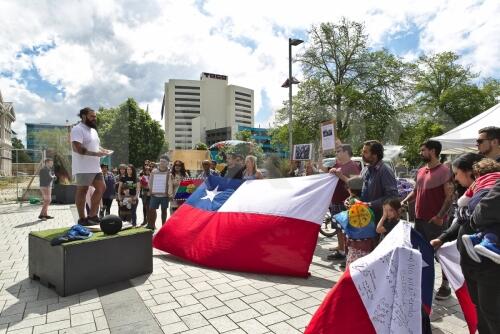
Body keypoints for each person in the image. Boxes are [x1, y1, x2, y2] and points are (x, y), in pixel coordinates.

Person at [431, 153, 500, 333]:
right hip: (470, 263)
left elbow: (479, 217)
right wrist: (442, 238)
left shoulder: (488, 191)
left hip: (489, 265)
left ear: (470, 172)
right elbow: (460, 223)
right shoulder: (468, 196)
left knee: (491, 311)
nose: (454, 178)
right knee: (479, 307)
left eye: (456, 173)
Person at [401, 140, 454, 299]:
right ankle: (425, 282)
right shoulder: (421, 170)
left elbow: (450, 196)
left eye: (423, 150)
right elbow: (416, 192)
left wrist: (439, 216)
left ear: (432, 151)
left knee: (441, 253)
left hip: (435, 222)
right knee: (422, 253)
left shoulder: (444, 171)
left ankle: (445, 285)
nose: (420, 153)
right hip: (419, 220)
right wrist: (403, 202)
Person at [71, 107, 111, 226]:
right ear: (84, 116)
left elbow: (94, 145)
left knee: (101, 188)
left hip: (95, 166)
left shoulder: (93, 130)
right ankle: (82, 218)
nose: (95, 118)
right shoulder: (77, 129)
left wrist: (102, 150)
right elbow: (77, 148)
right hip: (83, 167)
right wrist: (96, 154)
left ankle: (92, 216)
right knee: (82, 191)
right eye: (92, 116)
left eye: (95, 116)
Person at [459, 159, 500, 263]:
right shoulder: (498, 175)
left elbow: (462, 201)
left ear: (477, 174)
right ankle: (489, 243)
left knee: (487, 222)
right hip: (489, 196)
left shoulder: (477, 181)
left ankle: (476, 238)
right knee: (495, 222)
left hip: (475, 200)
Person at [327, 144, 361, 262]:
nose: (336, 153)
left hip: (346, 202)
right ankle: (342, 251)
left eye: (339, 151)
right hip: (336, 200)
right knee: (338, 228)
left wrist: (340, 176)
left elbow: (356, 185)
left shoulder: (353, 166)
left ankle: (347, 254)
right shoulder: (339, 165)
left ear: (346, 152)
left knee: (346, 229)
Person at [359, 140, 399, 222]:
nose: (362, 154)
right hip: (365, 218)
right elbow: (360, 191)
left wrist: (370, 204)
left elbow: (392, 196)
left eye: (365, 152)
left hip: (380, 219)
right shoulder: (365, 169)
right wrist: (351, 199)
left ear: (375, 155)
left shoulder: (385, 170)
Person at [342, 176, 377, 268]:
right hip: (366, 236)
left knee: (353, 258)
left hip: (355, 236)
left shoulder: (353, 200)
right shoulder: (364, 199)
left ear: (350, 189)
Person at [148, 155, 170, 230]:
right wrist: (150, 190)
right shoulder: (154, 171)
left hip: (165, 195)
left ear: (167, 163)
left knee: (164, 210)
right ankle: (152, 225)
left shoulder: (169, 172)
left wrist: (169, 193)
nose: (162, 163)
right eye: (161, 161)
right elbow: (150, 182)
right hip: (154, 195)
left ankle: (163, 226)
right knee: (152, 210)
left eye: (164, 162)